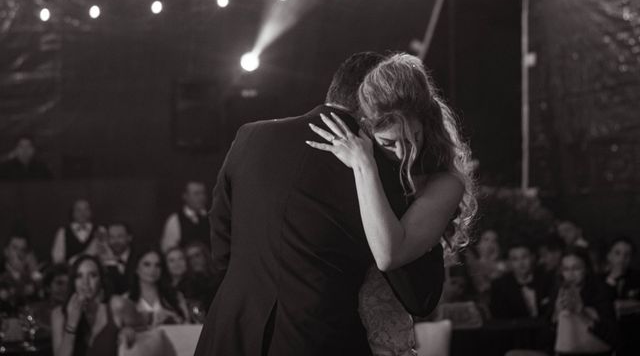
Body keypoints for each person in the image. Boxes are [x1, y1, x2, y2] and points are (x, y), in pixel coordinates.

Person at [194, 52, 447, 356]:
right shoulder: (376, 169)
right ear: (372, 102)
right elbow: (417, 295)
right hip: (315, 338)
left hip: (229, 333)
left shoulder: (250, 136)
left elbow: (222, 243)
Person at [307, 52, 476, 355]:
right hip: (336, 331)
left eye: (412, 138)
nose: (401, 153)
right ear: (366, 131)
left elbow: (387, 255)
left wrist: (364, 165)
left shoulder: (445, 183)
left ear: (427, 123)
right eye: (387, 143)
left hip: (386, 333)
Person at [51, 255, 135, 356]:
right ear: (73, 281)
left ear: (101, 280)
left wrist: (130, 332)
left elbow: (146, 328)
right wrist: (71, 324)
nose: (85, 282)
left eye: (92, 275)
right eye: (79, 276)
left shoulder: (116, 306)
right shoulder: (58, 314)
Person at [550, 248, 618, 355]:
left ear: (586, 269)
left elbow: (612, 337)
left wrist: (582, 313)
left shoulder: (602, 290)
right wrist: (556, 314)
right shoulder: (558, 291)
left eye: (576, 268)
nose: (571, 274)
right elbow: (548, 338)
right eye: (566, 269)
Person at [126, 248, 189, 327]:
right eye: (147, 264)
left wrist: (174, 319)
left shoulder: (175, 296)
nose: (153, 269)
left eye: (157, 265)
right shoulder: (126, 299)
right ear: (136, 268)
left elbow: (187, 325)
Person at [490, 242, 552, 320]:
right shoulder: (500, 286)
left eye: (524, 257)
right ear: (509, 263)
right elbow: (500, 320)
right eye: (515, 259)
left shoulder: (547, 280)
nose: (521, 263)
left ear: (532, 258)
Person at [160, 181, 210, 252]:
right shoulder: (175, 220)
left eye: (203, 193)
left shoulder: (213, 217)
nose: (201, 197)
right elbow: (169, 251)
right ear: (185, 196)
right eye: (196, 194)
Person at [52, 199, 101, 264]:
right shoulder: (63, 231)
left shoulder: (100, 230)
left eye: (86, 209)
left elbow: (103, 254)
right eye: (78, 210)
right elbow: (57, 258)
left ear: (90, 212)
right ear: (73, 213)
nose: (82, 213)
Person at [100, 222, 136, 295]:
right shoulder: (100, 260)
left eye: (120, 236)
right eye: (111, 237)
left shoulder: (139, 258)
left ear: (129, 237)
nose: (115, 241)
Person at [601, 236, 640, 301]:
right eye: (617, 253)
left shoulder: (637, 278)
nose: (622, 259)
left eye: (627, 255)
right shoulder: (598, 280)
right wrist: (612, 278)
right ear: (609, 256)